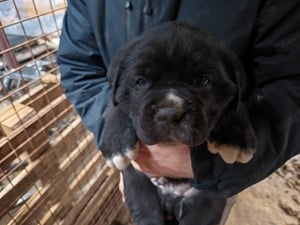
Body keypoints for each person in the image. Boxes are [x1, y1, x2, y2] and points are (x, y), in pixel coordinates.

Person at [57, 1, 300, 224]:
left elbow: (290, 81)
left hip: (215, 181)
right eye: (143, 81)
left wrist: (216, 163)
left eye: (202, 80)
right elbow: (80, 67)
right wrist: (112, 125)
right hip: (139, 173)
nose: (171, 111)